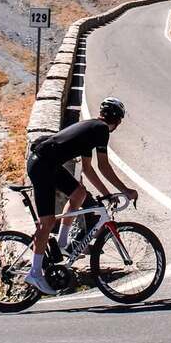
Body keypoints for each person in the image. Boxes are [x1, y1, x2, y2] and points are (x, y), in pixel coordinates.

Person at [24, 97, 138, 295]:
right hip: (42, 165)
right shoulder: (101, 130)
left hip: (48, 163)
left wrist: (107, 194)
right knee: (47, 222)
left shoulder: (91, 128)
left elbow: (87, 169)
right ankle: (34, 273)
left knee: (79, 194)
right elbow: (103, 166)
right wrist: (126, 190)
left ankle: (62, 243)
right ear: (117, 120)